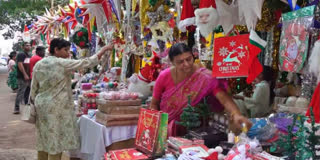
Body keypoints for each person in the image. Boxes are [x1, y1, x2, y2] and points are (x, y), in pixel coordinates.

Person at [30, 38, 113, 160]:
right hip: (56, 108)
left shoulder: (39, 64)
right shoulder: (61, 63)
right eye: (65, 50)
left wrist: (35, 103)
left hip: (41, 105)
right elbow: (87, 62)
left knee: (44, 138)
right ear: (56, 50)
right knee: (55, 141)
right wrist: (104, 49)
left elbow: (33, 88)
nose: (68, 53)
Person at [150, 43, 251, 136]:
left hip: (193, 129)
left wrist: (236, 114)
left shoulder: (205, 77)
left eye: (188, 59)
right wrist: (156, 124)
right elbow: (154, 103)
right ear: (172, 62)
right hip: (165, 129)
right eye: (180, 62)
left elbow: (223, 98)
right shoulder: (164, 76)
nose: (186, 64)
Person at [14, 42, 31, 114]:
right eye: (27, 45)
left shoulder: (28, 55)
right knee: (21, 92)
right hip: (22, 76)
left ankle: (27, 106)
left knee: (28, 91)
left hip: (28, 76)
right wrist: (24, 74)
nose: (29, 47)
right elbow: (20, 64)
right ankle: (16, 108)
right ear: (22, 47)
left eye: (29, 45)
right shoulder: (21, 54)